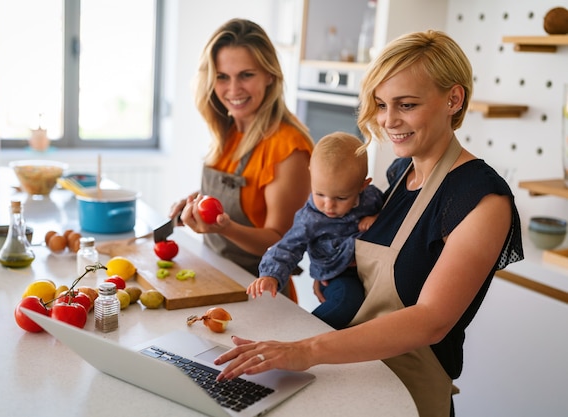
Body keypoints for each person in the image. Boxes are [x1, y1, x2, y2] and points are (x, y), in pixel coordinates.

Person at [214, 30, 524, 417]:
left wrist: (305, 349)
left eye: (406, 105)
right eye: (380, 104)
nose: (388, 121)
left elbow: (430, 321)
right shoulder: (397, 177)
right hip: (348, 374)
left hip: (407, 393)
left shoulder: (481, 198)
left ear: (453, 99)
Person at [170, 19, 314, 297]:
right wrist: (196, 203)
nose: (233, 89)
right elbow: (245, 194)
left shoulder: (288, 147)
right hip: (217, 276)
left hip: (261, 292)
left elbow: (280, 241)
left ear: (270, 75)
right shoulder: (228, 130)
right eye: (222, 76)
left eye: (246, 75)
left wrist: (224, 227)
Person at [247, 131, 383, 330]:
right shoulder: (309, 218)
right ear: (310, 174)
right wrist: (271, 275)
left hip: (372, 271)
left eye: (341, 198)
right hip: (336, 275)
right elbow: (287, 248)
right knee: (347, 301)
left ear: (363, 186)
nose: (328, 205)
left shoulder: (372, 199)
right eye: (320, 193)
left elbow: (393, 214)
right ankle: (303, 335)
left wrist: (377, 219)